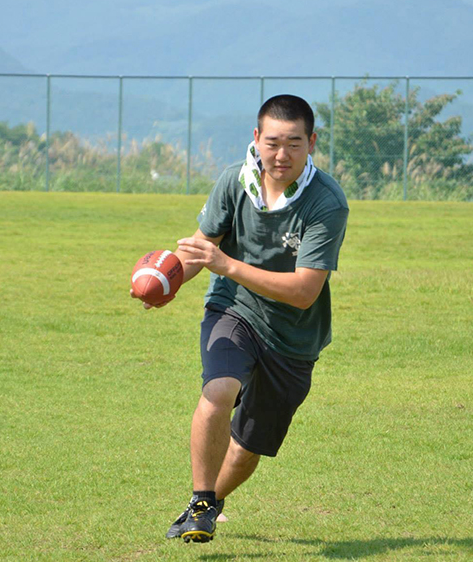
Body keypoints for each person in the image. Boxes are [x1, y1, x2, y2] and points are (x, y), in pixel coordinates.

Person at [132, 94, 349, 543]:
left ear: (312, 142)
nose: (281, 154)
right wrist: (169, 281)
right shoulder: (235, 181)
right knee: (219, 389)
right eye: (272, 142)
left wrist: (226, 264)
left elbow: (305, 292)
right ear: (256, 138)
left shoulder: (325, 202)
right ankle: (200, 500)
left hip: (293, 338)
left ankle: (208, 502)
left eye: (294, 143)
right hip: (234, 309)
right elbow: (200, 248)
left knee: (248, 448)